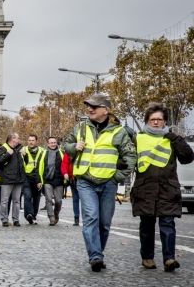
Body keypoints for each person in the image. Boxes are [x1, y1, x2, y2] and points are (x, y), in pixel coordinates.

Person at [64, 93, 136, 271]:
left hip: (108, 183)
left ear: (106, 110)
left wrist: (117, 177)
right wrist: (74, 147)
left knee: (104, 222)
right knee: (91, 218)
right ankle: (95, 256)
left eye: (94, 106)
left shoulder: (119, 132)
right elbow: (66, 146)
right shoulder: (80, 128)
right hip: (85, 181)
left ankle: (98, 253)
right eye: (89, 106)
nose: (90, 109)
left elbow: (130, 156)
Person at [131, 103, 194, 272]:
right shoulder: (138, 138)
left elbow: (188, 157)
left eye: (160, 119)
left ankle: (169, 258)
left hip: (167, 188)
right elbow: (128, 160)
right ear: (147, 121)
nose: (156, 122)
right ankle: (147, 257)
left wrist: (175, 138)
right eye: (153, 119)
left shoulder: (172, 139)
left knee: (167, 224)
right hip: (145, 188)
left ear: (165, 121)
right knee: (147, 225)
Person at [0, 133, 26, 227]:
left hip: (18, 179)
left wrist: (25, 156)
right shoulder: (3, 149)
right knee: (4, 201)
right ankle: (4, 220)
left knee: (17, 201)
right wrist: (8, 154)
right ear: (12, 139)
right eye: (18, 138)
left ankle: (16, 220)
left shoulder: (19, 149)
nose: (19, 139)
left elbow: (25, 163)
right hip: (7, 179)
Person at [37, 137, 65, 226]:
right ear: (48, 144)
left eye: (54, 142)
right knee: (48, 199)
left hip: (59, 180)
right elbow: (39, 168)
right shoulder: (43, 154)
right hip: (47, 180)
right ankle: (51, 218)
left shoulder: (61, 153)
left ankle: (56, 213)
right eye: (51, 143)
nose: (53, 144)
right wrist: (39, 181)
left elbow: (65, 166)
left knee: (58, 201)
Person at [22, 134, 43, 224]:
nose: (31, 142)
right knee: (27, 196)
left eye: (32, 140)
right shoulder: (23, 150)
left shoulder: (42, 151)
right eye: (29, 140)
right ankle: (29, 214)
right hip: (27, 177)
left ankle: (33, 216)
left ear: (36, 141)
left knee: (36, 199)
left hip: (38, 178)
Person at [61, 153, 80, 226]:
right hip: (73, 178)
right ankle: (76, 217)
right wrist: (65, 173)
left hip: (83, 178)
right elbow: (65, 163)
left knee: (85, 199)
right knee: (75, 198)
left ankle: (87, 217)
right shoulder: (69, 151)